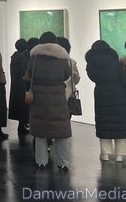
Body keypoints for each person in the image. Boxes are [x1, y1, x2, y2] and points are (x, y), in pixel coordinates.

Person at [27, 32, 72, 170]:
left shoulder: (34, 58)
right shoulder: (62, 58)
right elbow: (66, 75)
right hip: (57, 95)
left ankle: (41, 161)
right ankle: (63, 162)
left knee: (40, 130)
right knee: (61, 130)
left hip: (39, 95)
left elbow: (30, 74)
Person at [85, 40, 126, 162]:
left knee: (104, 125)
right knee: (120, 125)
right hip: (118, 94)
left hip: (101, 94)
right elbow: (124, 79)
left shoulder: (91, 64)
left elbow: (92, 78)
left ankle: (105, 154)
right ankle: (120, 155)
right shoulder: (115, 63)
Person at [8, 39, 29, 134]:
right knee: (24, 106)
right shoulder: (24, 58)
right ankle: (22, 124)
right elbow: (24, 72)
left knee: (18, 105)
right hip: (23, 84)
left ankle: (21, 125)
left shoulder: (14, 57)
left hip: (15, 83)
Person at [57, 37, 80, 110]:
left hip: (55, 96)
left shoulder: (52, 62)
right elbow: (76, 78)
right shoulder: (72, 62)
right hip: (68, 96)